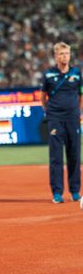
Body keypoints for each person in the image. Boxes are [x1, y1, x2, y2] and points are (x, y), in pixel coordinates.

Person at [41, 42, 82, 204]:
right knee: (56, 158)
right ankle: (57, 193)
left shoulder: (77, 74)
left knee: (74, 156)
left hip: (73, 119)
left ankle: (75, 191)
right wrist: (50, 113)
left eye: (67, 53)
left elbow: (81, 95)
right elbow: (42, 97)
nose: (65, 56)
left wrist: (78, 112)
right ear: (56, 56)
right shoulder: (48, 75)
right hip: (55, 119)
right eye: (62, 54)